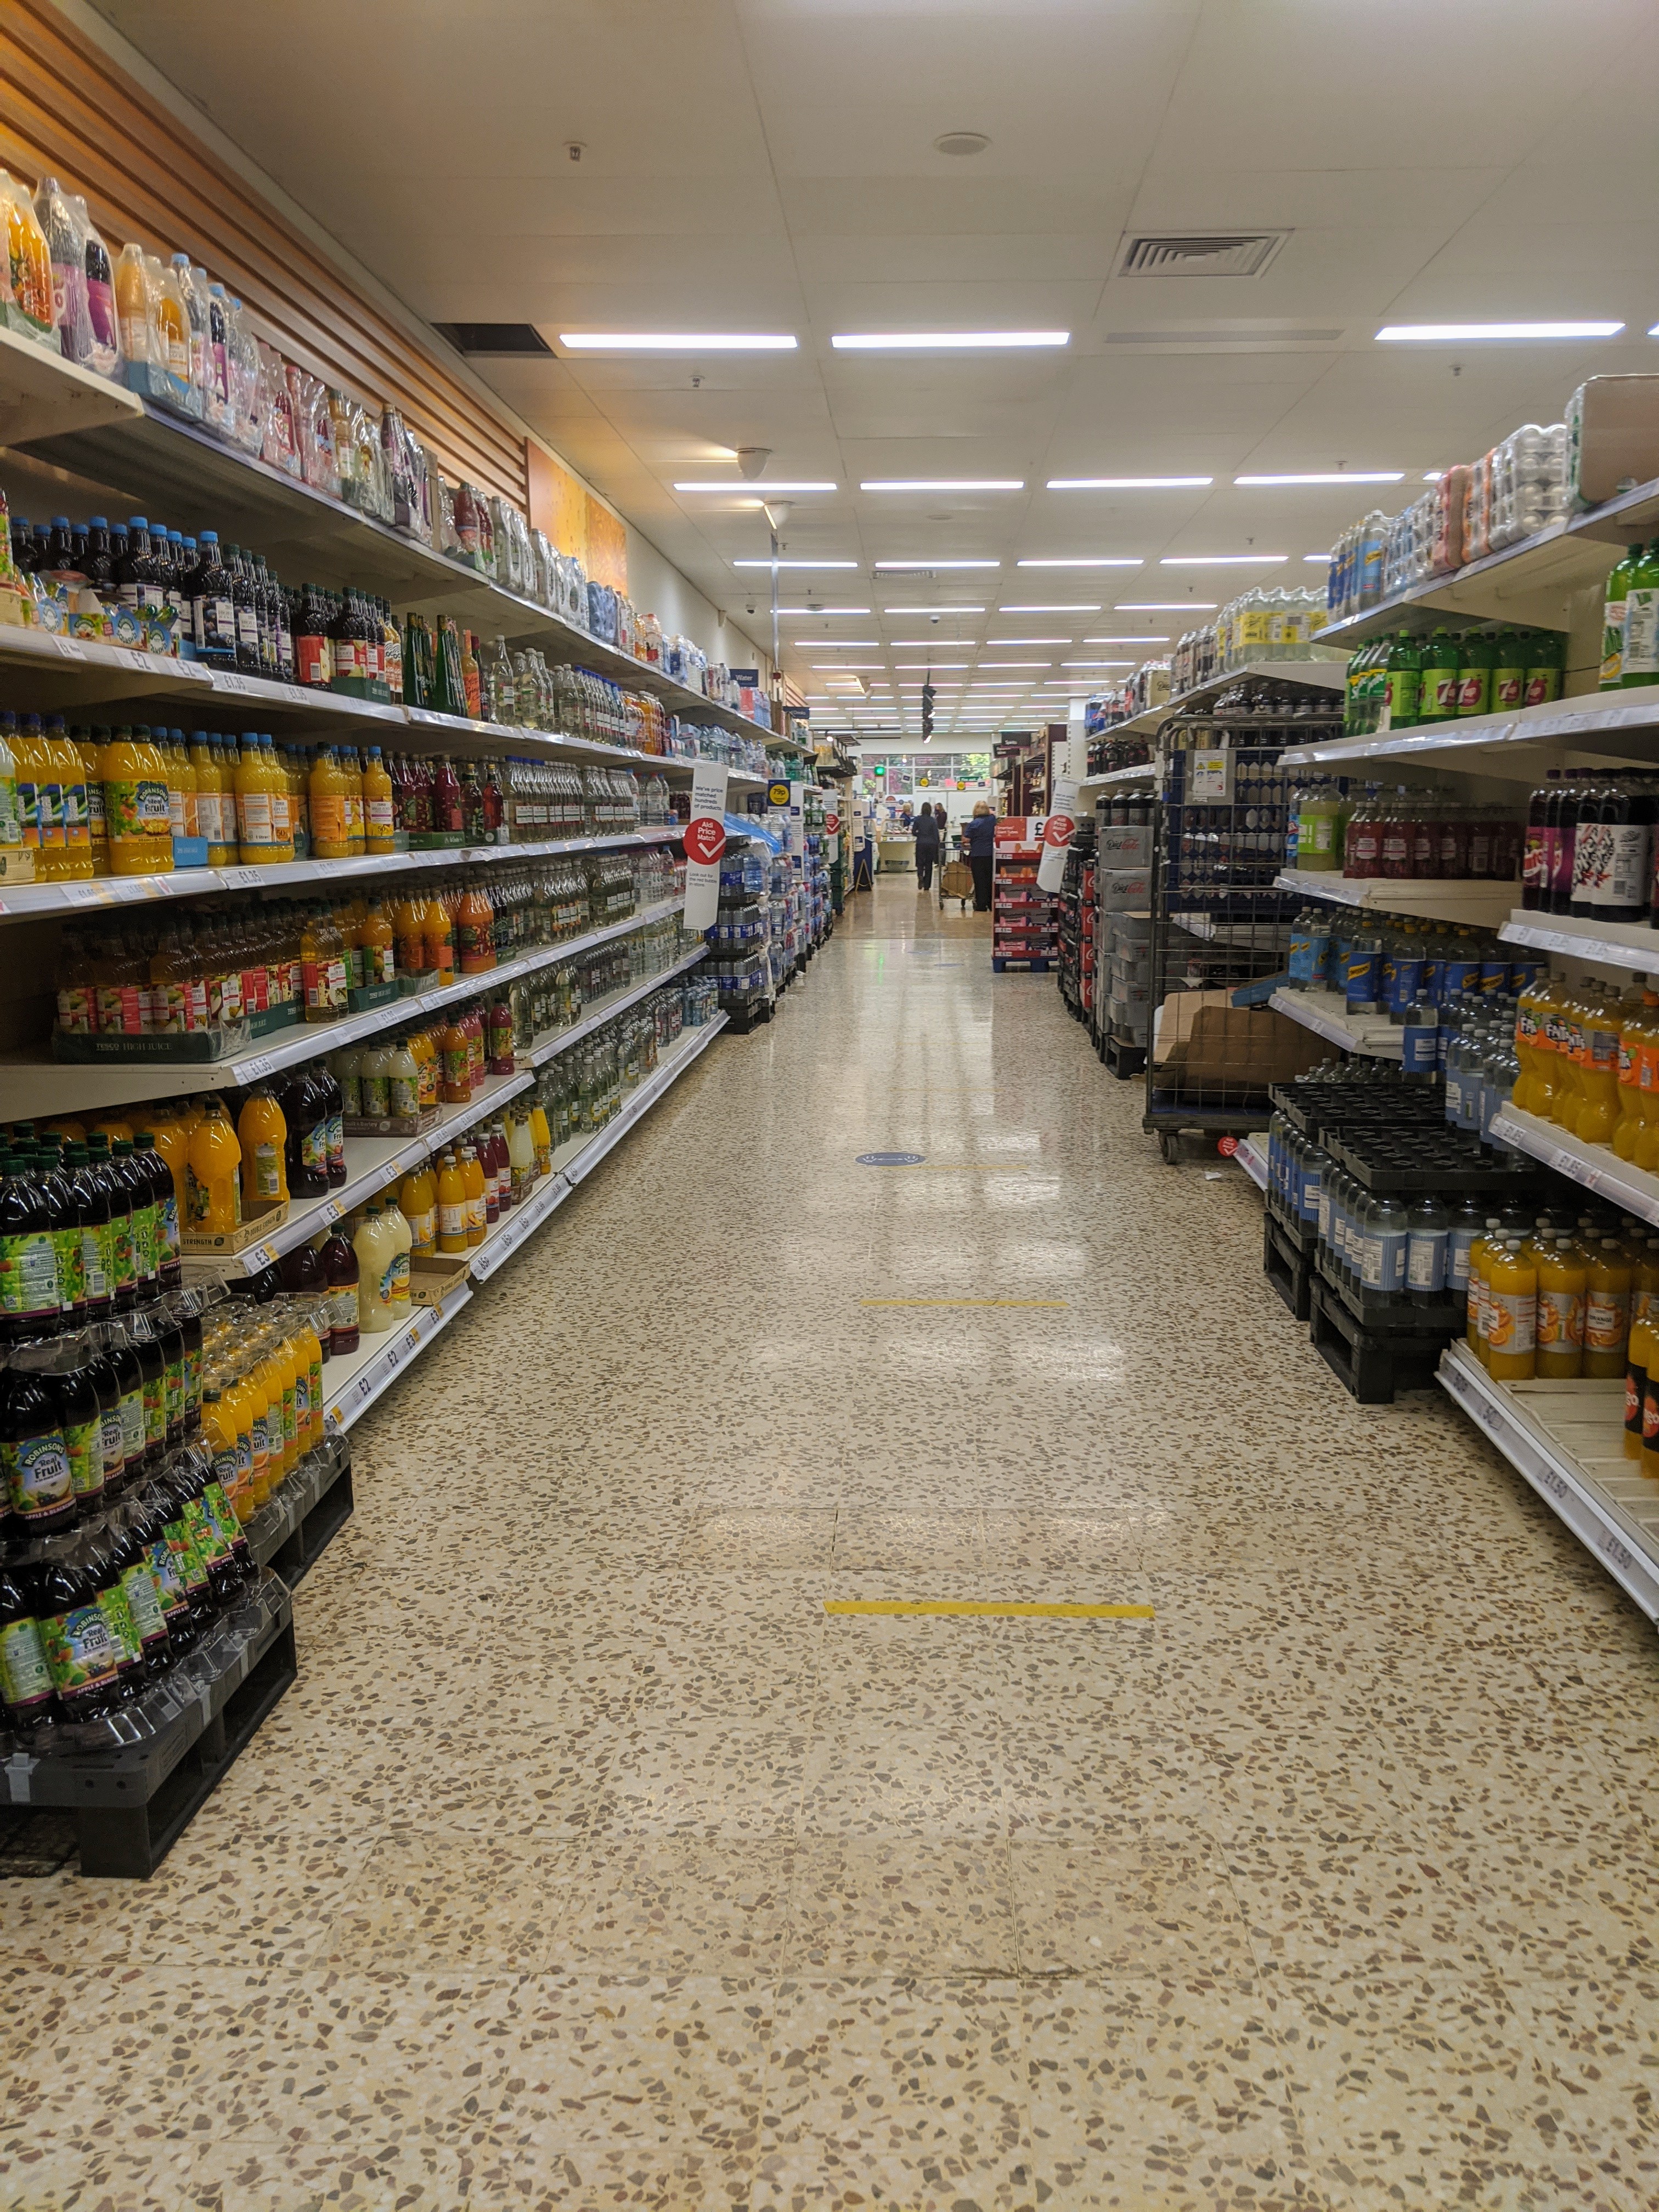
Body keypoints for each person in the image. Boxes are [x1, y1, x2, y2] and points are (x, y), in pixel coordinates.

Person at [963, 800, 995, 912]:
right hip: (990, 855)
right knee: (990, 880)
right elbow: (993, 814)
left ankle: (981, 905)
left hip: (977, 855)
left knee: (979, 881)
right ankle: (991, 904)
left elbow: (966, 839)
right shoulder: (992, 820)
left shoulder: (974, 824)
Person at [912, 800, 941, 891]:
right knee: (929, 864)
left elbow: (913, 832)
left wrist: (919, 835)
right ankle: (927, 885)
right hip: (931, 844)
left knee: (920, 862)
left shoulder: (918, 819)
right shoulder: (933, 820)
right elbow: (936, 834)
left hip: (921, 843)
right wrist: (938, 844)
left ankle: (920, 875)